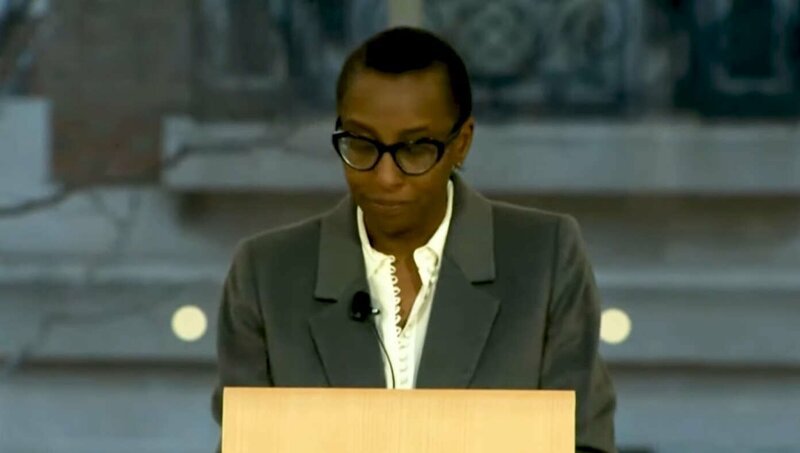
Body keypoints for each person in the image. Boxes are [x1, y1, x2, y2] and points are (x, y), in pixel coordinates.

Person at [212, 26, 616, 452]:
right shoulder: (265, 274)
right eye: (361, 143)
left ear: (461, 143)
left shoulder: (546, 259)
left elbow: (584, 440)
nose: (385, 177)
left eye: (414, 148)